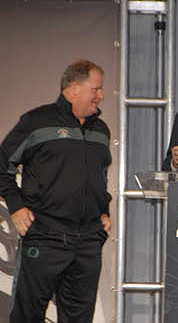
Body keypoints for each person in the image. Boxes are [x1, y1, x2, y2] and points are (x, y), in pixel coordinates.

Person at [0, 60, 112, 322]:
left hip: (87, 244)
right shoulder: (37, 122)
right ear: (73, 89)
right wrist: (15, 206)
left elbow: (99, 179)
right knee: (27, 316)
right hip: (45, 237)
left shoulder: (101, 131)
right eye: (96, 89)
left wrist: (103, 212)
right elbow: (2, 165)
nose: (101, 95)